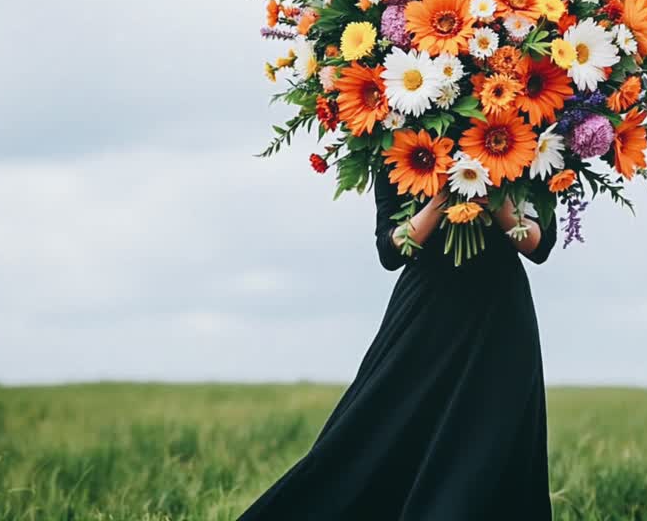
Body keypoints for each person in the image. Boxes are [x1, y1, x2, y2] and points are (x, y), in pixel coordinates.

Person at [236, 170, 558, 520]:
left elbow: (539, 246)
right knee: (377, 430)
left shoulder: (527, 146)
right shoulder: (400, 145)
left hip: (500, 318)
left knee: (489, 446)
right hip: (426, 316)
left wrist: (496, 201)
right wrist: (440, 201)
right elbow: (391, 250)